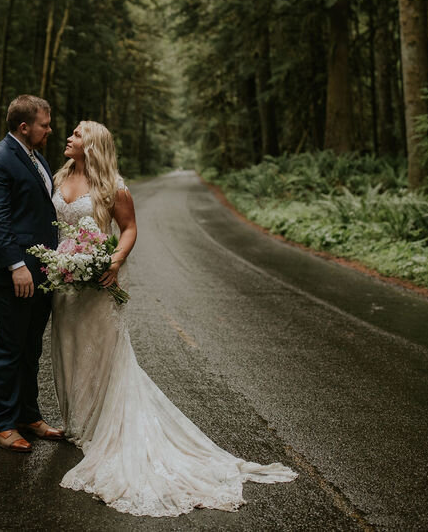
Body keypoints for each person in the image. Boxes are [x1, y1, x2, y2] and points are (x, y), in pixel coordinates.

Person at [49, 120, 297, 517]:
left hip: (100, 277)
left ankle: (101, 425)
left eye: (77, 134)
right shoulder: (59, 175)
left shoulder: (114, 185)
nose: (69, 137)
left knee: (101, 349)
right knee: (68, 345)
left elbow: (129, 228)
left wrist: (113, 259)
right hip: (65, 278)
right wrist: (61, 262)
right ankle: (78, 421)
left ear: (92, 145)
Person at [0, 95, 66, 452]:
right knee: (10, 347)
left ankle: (29, 415)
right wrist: (17, 266)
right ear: (24, 127)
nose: (50, 130)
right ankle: (3, 424)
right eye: (45, 124)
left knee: (31, 348)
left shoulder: (37, 158)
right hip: (12, 274)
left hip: (42, 272)